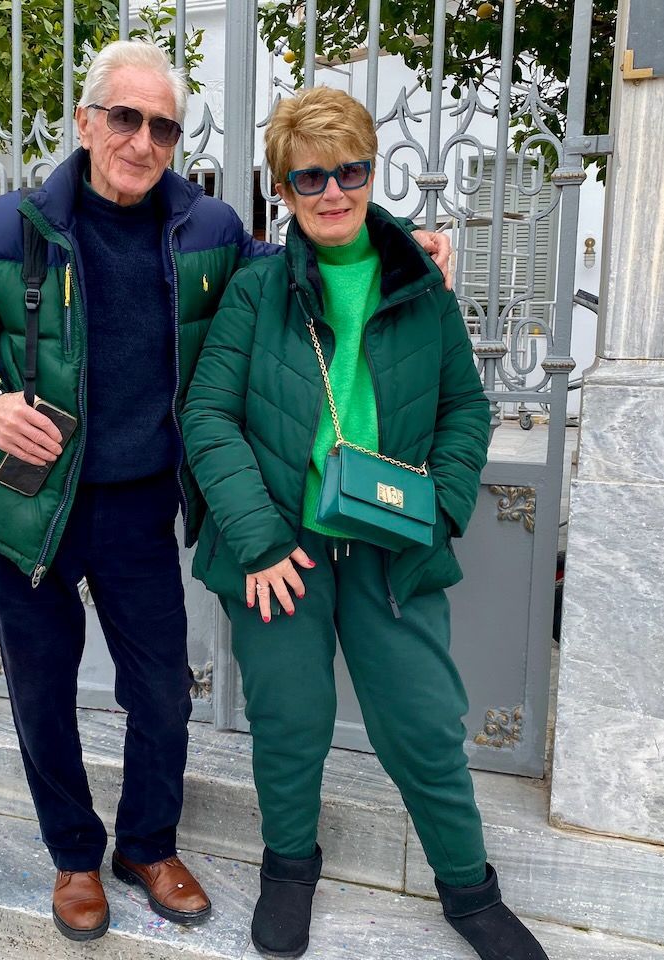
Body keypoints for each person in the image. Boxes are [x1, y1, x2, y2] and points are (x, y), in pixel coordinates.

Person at [0, 40, 455, 944]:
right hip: (31, 502)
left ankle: (148, 843)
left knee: (163, 691)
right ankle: (75, 857)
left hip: (137, 507)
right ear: (86, 122)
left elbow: (312, 248)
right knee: (42, 690)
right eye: (124, 118)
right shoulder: (5, 228)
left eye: (163, 125)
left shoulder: (205, 229)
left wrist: (402, 242)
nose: (142, 140)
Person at [181, 86, 548, 960]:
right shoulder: (256, 290)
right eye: (311, 179)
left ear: (372, 170)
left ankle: (469, 892)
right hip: (280, 550)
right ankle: (288, 871)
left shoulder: (419, 285)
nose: (334, 192)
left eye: (350, 170)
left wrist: (443, 508)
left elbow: (465, 408)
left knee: (422, 723)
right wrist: (261, 539)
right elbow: (207, 417)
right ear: (284, 190)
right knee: (291, 719)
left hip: (392, 543)